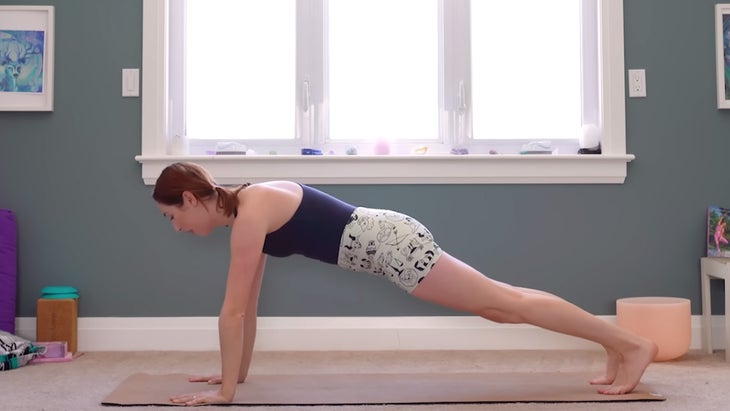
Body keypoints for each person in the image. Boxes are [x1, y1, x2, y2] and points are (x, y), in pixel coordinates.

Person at [152, 162, 657, 406]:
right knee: (503, 305)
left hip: (394, 248)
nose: (175, 228)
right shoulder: (248, 210)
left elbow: (232, 312)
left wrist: (221, 396)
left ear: (192, 200)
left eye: (172, 216)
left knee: (505, 303)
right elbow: (250, 309)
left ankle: (630, 343)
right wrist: (232, 378)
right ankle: (613, 342)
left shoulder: (249, 214)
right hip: (390, 239)